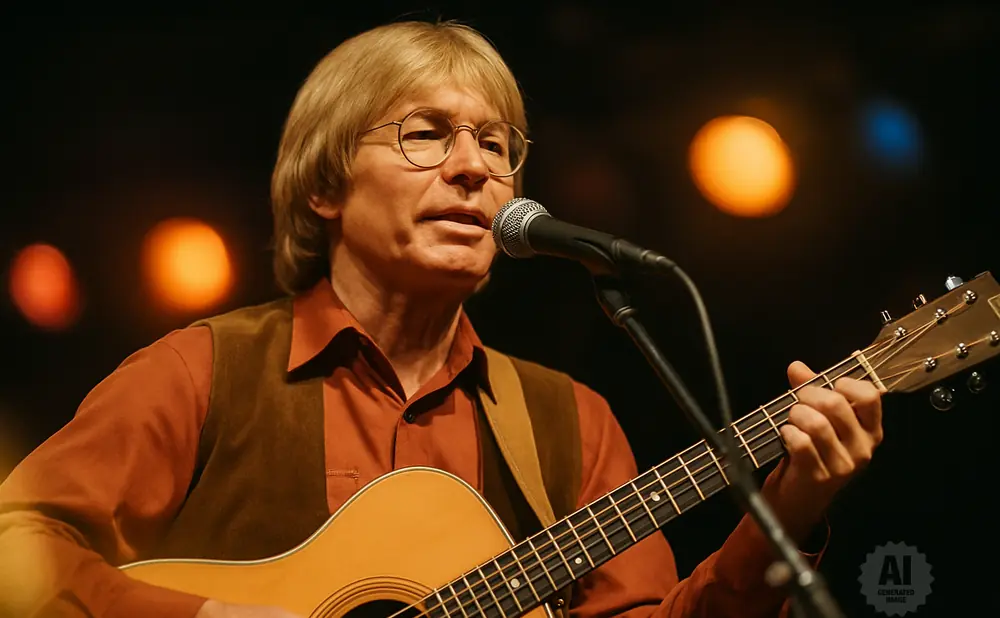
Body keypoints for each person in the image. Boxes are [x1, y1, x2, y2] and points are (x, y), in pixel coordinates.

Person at [0, 19, 883, 618]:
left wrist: (795, 503)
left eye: (498, 146)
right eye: (426, 133)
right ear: (324, 185)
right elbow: (16, 548)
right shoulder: (202, 373)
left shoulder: (567, 423)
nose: (473, 169)